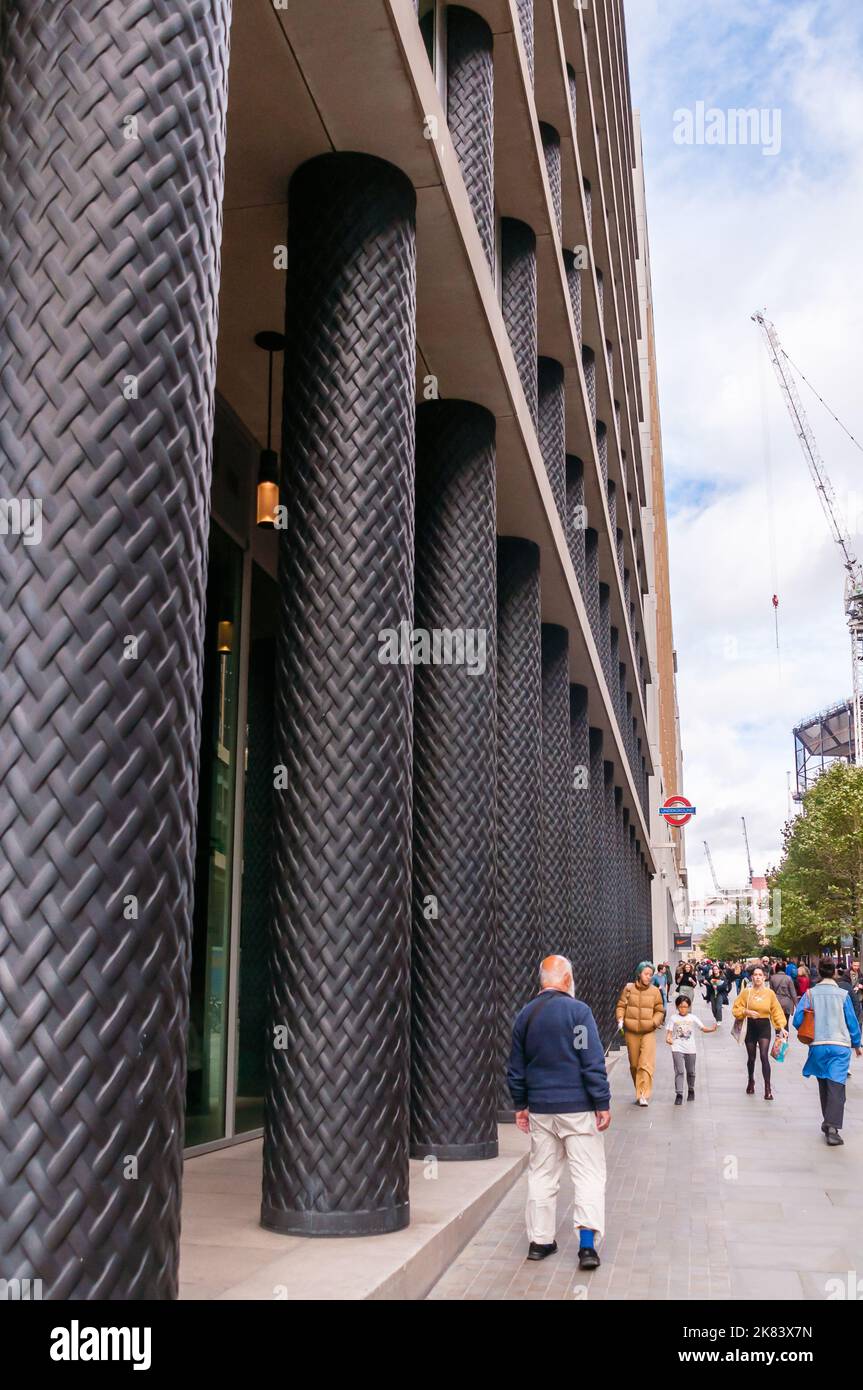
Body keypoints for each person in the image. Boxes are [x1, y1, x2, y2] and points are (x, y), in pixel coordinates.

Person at [507, 955, 610, 1268]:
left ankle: (540, 1242)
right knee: (588, 1174)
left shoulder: (526, 1015)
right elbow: (590, 1059)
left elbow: (516, 1067)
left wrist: (521, 1105)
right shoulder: (578, 1012)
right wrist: (602, 1102)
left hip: (541, 1109)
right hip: (577, 1108)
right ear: (567, 979)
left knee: (542, 1174)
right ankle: (587, 1247)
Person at [793, 957, 863, 1146]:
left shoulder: (809, 994)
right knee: (836, 1086)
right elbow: (852, 1022)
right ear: (834, 972)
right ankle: (832, 1127)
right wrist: (857, 1044)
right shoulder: (842, 995)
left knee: (824, 1084)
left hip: (818, 1045)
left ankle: (828, 1121)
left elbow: (797, 1020)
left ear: (819, 972)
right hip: (839, 1045)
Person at [731, 965, 787, 1100]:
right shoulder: (746, 992)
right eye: (755, 975)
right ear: (752, 977)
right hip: (750, 1026)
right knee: (751, 1057)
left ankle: (768, 1088)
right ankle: (751, 1080)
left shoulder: (770, 993)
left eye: (760, 975)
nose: (757, 977)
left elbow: (776, 1010)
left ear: (764, 977)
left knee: (763, 1056)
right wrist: (746, 1011)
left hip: (764, 1026)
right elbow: (736, 1009)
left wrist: (781, 1027)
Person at [615, 961, 666, 1107]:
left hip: (648, 1031)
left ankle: (643, 1094)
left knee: (645, 1064)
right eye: (646, 974)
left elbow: (659, 1010)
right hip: (631, 1032)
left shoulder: (655, 991)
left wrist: (654, 1023)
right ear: (639, 973)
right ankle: (639, 1090)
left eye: (651, 974)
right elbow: (621, 1006)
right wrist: (620, 1019)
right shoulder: (628, 989)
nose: (649, 977)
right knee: (634, 1065)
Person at [666, 994, 716, 1103]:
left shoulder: (692, 1017)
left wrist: (712, 1029)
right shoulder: (673, 1018)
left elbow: (703, 1028)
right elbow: (669, 1032)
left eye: (685, 1006)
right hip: (677, 1047)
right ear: (677, 1007)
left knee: (691, 1071)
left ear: (689, 1007)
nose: (683, 1009)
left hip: (690, 1048)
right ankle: (679, 1094)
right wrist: (668, 1039)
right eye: (680, 1007)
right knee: (679, 1071)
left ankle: (691, 1089)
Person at [769, 961, 798, 1030]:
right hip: (787, 1002)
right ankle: (785, 1039)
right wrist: (796, 1004)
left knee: (777, 1024)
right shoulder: (788, 978)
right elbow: (793, 993)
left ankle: (778, 1038)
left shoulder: (772, 978)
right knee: (786, 1023)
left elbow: (771, 992)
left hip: (776, 1002)